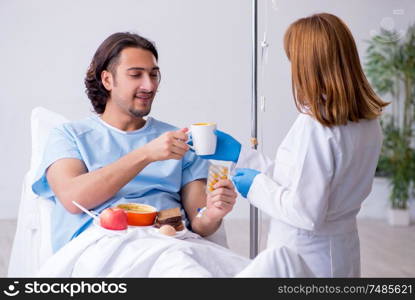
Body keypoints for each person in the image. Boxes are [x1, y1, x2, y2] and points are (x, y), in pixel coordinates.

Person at [198, 13, 389, 277]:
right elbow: (305, 180)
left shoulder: (318, 125)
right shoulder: (366, 121)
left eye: (293, 60)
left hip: (307, 255)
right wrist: (241, 155)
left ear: (309, 64)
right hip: (341, 249)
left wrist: (255, 187)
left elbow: (305, 213)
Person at [32, 32, 237, 253]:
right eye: (136, 75)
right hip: (103, 245)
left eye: (154, 75)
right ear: (107, 80)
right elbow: (73, 199)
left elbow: (199, 221)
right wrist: (147, 154)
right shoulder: (69, 135)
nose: (149, 86)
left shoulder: (180, 141)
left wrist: (213, 213)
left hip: (173, 242)